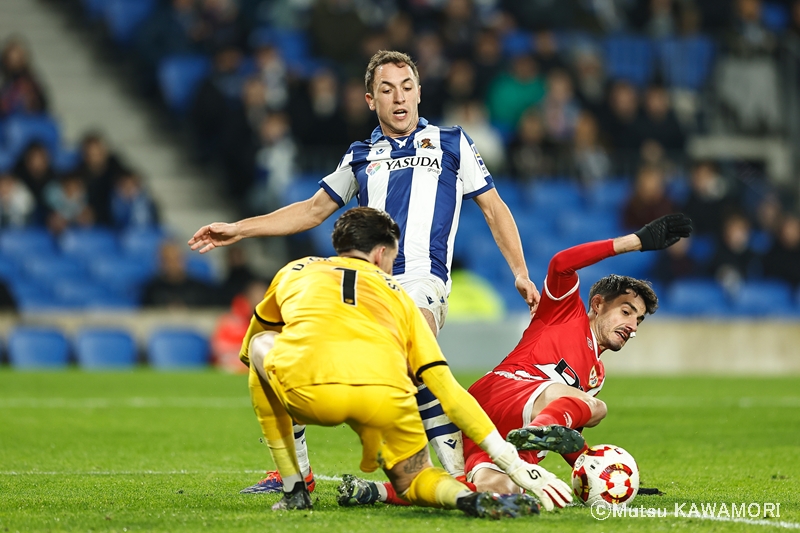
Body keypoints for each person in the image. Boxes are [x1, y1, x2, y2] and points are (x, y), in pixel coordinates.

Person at [188, 50, 538, 491]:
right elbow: (314, 210)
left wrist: (520, 271)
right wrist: (239, 229)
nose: (400, 98)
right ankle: (296, 472)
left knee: (417, 351)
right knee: (291, 354)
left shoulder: (452, 142)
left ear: (419, 93)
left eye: (407, 87)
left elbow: (494, 208)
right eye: (388, 89)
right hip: (368, 287)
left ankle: (455, 473)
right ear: (371, 99)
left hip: (420, 281)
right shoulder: (360, 155)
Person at [338, 213, 692, 503]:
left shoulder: (596, 376)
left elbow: (564, 430)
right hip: (498, 396)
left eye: (638, 320)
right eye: (627, 311)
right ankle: (533, 433)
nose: (632, 326)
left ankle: (374, 492)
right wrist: (635, 242)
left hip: (497, 438)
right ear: (597, 305)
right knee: (595, 408)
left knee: (502, 491)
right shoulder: (564, 312)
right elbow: (562, 263)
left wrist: (601, 475)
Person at [242, 207, 571, 516]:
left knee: (260, 345)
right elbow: (448, 389)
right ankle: (467, 498)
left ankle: (294, 487)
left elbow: (251, 346)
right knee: (415, 479)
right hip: (383, 396)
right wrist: (512, 464)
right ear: (381, 253)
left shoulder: (295, 271)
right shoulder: (399, 295)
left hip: (308, 390)